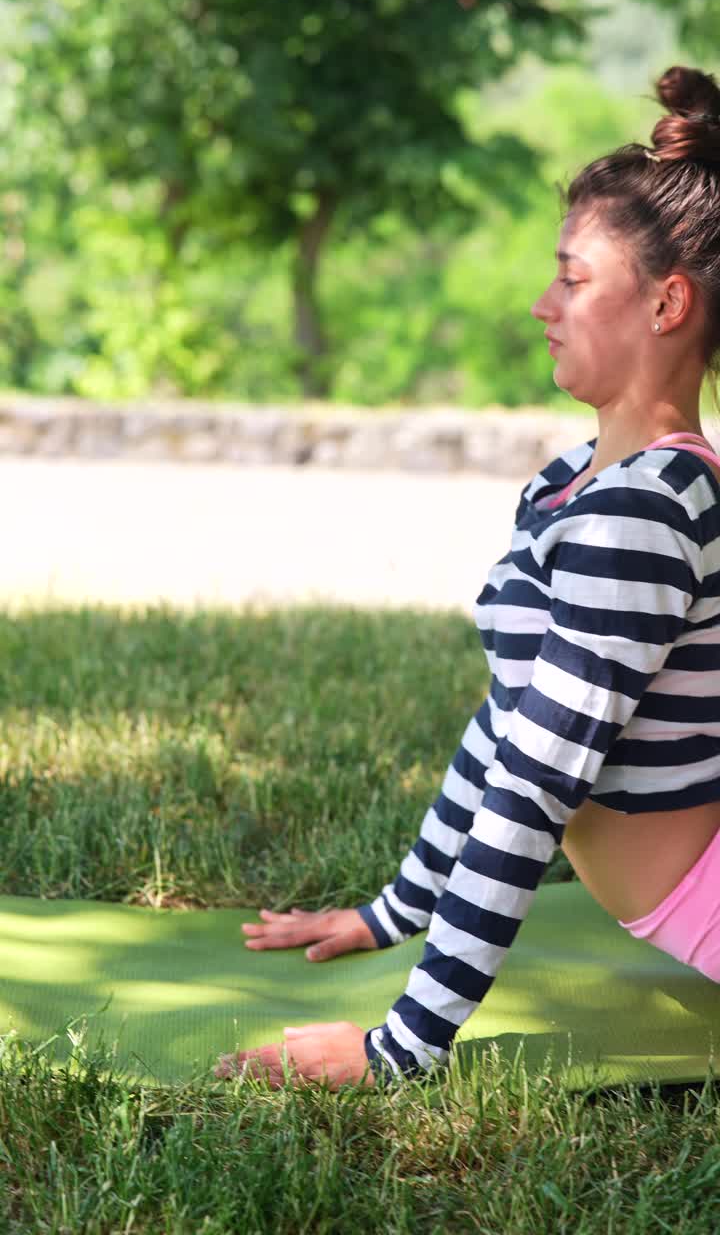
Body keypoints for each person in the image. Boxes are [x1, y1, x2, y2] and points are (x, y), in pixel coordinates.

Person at [215, 64, 720, 1090]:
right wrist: (391, 910)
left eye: (573, 279)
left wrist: (399, 1046)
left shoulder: (641, 513)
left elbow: (534, 790)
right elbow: (507, 726)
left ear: (668, 301)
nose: (542, 304)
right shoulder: (579, 488)